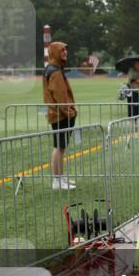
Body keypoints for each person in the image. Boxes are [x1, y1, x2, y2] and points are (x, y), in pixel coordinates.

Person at [44, 41, 78, 190]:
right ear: (55, 52)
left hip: (58, 114)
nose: (65, 52)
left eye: (66, 50)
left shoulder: (53, 69)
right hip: (60, 115)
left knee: (60, 147)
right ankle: (57, 180)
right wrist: (70, 112)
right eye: (62, 50)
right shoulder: (55, 72)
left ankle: (60, 178)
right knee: (59, 147)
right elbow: (60, 96)